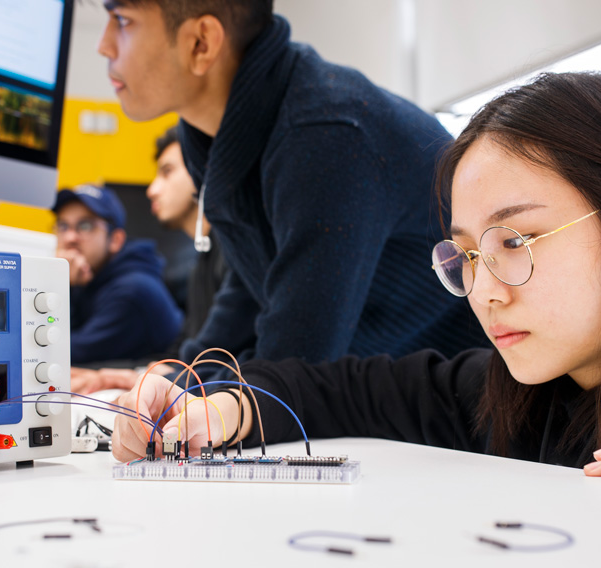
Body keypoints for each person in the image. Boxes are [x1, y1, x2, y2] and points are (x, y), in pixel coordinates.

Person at [111, 72, 601, 494]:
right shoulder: (522, 393)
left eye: (517, 240)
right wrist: (210, 408)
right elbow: (341, 391)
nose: (485, 291)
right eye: (467, 255)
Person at [97, 1, 488, 380]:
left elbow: (294, 365)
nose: (104, 45)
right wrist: (175, 377)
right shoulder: (213, 131)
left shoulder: (325, 132)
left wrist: (179, 392)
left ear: (201, 42)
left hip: (466, 404)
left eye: (122, 19)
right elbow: (257, 280)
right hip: (378, 392)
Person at [68, 127, 256, 393]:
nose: (151, 190)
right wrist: (118, 375)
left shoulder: (235, 251)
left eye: (167, 172)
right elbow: (180, 357)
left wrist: (127, 377)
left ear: (204, 170)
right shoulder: (201, 262)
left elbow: (216, 357)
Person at [53, 185, 183, 364]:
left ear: (116, 240)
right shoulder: (86, 277)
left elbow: (63, 355)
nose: (69, 238)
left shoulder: (132, 291)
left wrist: (59, 286)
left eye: (85, 225)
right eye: (63, 226)